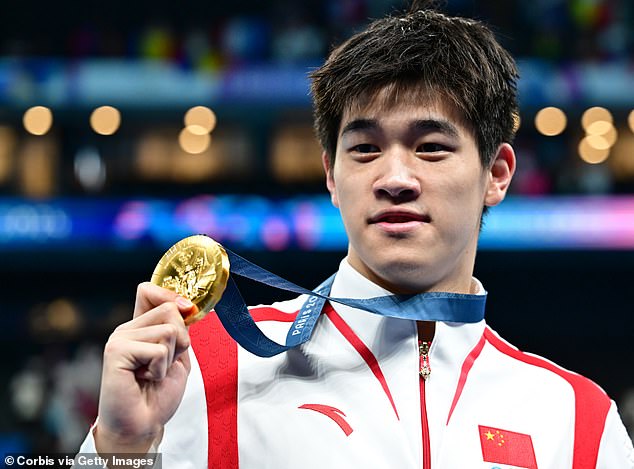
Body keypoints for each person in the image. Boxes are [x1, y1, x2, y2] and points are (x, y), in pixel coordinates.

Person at [77, 1, 634, 468]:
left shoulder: (578, 421)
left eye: (431, 147)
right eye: (365, 149)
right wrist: (119, 448)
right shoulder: (204, 365)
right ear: (331, 176)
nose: (394, 179)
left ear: (496, 174)